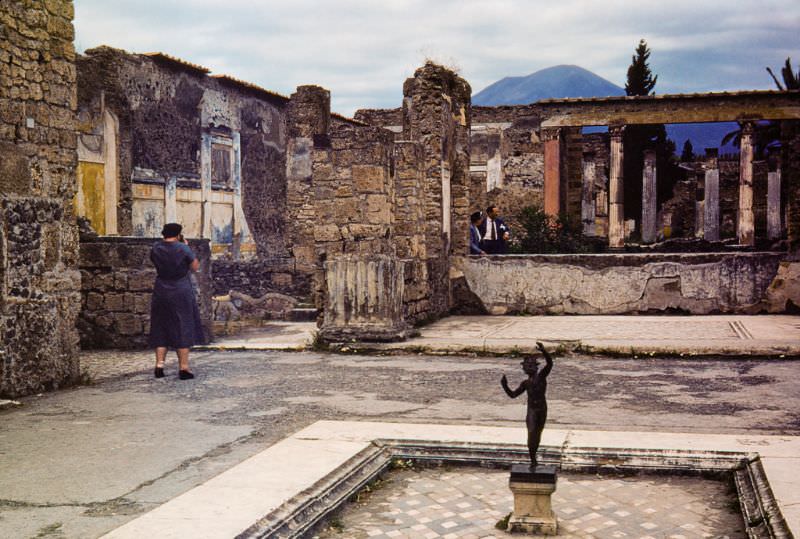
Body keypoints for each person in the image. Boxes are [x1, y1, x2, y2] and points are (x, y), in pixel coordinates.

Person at [149, 223, 203, 380]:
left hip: (161, 289)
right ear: (179, 234)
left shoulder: (156, 248)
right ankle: (184, 368)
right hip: (180, 289)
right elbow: (194, 266)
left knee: (160, 324)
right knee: (183, 324)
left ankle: (159, 365)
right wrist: (187, 248)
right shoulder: (183, 248)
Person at [501, 342, 554, 468]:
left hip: (542, 409)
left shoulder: (541, 377)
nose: (527, 368)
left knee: (538, 433)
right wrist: (504, 385)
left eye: (530, 365)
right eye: (526, 366)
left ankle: (534, 457)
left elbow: (550, 364)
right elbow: (513, 395)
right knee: (531, 433)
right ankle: (533, 459)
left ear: (535, 367)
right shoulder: (525, 383)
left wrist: (544, 351)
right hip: (532, 411)